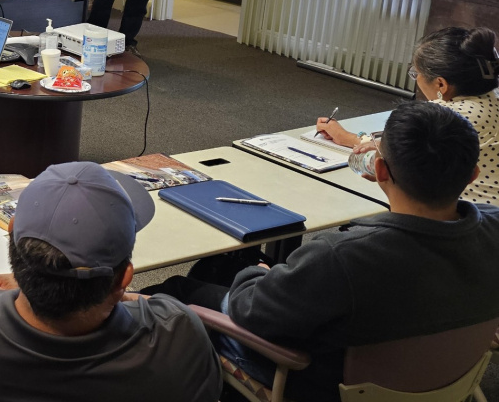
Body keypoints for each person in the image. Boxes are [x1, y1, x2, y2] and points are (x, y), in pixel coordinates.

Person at [146, 101, 499, 402]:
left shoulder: (342, 257)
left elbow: (248, 309)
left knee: (178, 291)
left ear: (378, 170)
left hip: (315, 380)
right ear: (472, 175)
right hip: (448, 376)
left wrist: (259, 276)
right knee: (234, 267)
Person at [0, 162, 222, 402]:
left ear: (11, 234)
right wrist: (126, 297)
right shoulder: (180, 338)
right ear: (124, 279)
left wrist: (27, 288)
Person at [317, 26, 498, 205]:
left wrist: (348, 138)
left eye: (415, 73)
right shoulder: (491, 99)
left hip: (469, 220)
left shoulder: (445, 117)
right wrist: (350, 138)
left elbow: (395, 156)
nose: (416, 79)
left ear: (441, 85)